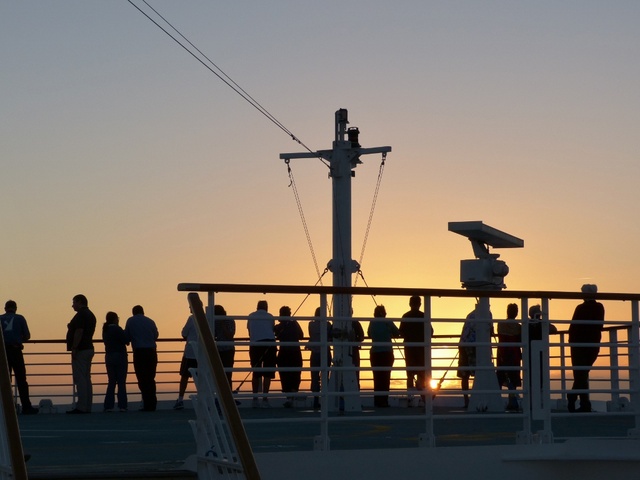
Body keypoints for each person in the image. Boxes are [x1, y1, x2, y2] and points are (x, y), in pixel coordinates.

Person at [567, 284, 605, 413]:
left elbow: (573, 326)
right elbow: (599, 325)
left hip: (578, 345)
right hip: (592, 344)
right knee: (582, 373)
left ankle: (572, 398)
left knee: (580, 373)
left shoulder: (580, 308)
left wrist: (571, 342)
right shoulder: (599, 307)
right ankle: (584, 404)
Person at [0, 300, 38, 414]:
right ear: (15, 308)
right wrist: (19, 339)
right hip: (16, 350)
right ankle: (26, 406)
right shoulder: (20, 318)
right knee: (21, 379)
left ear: (5, 308)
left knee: (4, 380)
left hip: (3, 352)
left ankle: (5, 408)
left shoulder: (0, 319)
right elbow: (27, 335)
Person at [66, 294, 97, 414]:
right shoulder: (90, 315)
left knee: (80, 378)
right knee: (86, 378)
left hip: (81, 350)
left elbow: (79, 331)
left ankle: (81, 406)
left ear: (80, 302)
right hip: (88, 348)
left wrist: (74, 347)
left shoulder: (81, 315)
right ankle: (87, 405)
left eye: (74, 302)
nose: (72, 305)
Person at [125, 305, 159, 412]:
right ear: (143, 312)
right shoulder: (150, 321)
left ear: (133, 312)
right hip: (151, 351)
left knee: (141, 378)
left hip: (139, 352)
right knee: (150, 377)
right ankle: (152, 403)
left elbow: (127, 337)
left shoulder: (130, 321)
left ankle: (146, 403)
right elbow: (155, 335)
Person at [367, 305, 400, 408]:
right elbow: (397, 333)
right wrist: (389, 333)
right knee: (386, 377)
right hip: (386, 353)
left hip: (375, 353)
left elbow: (369, 334)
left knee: (377, 377)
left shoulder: (372, 322)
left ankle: (377, 401)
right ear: (384, 313)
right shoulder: (388, 322)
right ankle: (384, 401)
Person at [399, 296, 432, 394]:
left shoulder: (405, 316)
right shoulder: (424, 316)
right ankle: (422, 397)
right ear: (420, 304)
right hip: (421, 349)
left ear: (410, 304)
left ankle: (410, 397)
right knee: (421, 373)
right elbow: (431, 331)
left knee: (409, 374)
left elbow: (401, 332)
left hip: (409, 349)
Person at [247, 300, 277, 408]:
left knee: (256, 372)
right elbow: (272, 329)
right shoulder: (270, 316)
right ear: (266, 307)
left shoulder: (251, 316)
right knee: (268, 372)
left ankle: (255, 399)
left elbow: (250, 331)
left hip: (255, 345)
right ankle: (265, 398)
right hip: (270, 344)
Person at [274, 306, 304, 408]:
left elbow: (276, 335)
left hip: (284, 352)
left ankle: (289, 397)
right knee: (295, 374)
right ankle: (292, 395)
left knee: (285, 375)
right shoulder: (294, 323)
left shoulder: (279, 327)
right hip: (295, 352)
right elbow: (301, 335)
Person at [102, 311, 129, 412]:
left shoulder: (105, 330)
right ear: (115, 319)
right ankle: (122, 405)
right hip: (120, 356)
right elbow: (126, 340)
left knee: (111, 381)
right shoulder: (117, 329)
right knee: (121, 382)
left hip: (109, 356)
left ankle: (108, 405)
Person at [496, 303, 522, 411]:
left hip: (502, 353)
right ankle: (512, 402)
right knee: (514, 377)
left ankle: (497, 401)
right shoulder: (519, 327)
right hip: (514, 354)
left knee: (500, 377)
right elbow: (520, 340)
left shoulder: (500, 324)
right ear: (516, 313)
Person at [307, 307, 332, 410]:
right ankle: (325, 400)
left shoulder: (311, 324)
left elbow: (311, 336)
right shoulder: (327, 325)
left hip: (314, 352)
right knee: (325, 377)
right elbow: (330, 337)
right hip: (325, 352)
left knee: (315, 377)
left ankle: (316, 400)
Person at [456, 307, 478, 409]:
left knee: (465, 375)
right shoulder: (487, 314)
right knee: (478, 372)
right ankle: (474, 399)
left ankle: (466, 400)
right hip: (474, 346)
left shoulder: (470, 314)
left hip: (463, 344)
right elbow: (489, 331)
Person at [214, 304, 236, 389]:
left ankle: (229, 394)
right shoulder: (215, 321)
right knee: (218, 373)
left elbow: (230, 335)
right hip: (218, 349)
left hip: (228, 350)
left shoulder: (229, 320)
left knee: (228, 373)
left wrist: (223, 326)